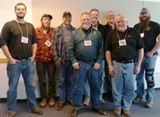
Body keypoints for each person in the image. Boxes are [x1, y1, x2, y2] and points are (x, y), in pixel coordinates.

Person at [0, 3, 43, 117]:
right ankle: (11, 109)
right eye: (18, 9)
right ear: (15, 11)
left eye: (23, 9)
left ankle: (33, 107)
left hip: (28, 63)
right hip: (15, 63)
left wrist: (33, 55)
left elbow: (34, 42)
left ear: (25, 11)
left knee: (31, 86)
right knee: (12, 88)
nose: (20, 11)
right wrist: (10, 59)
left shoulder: (30, 26)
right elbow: (2, 43)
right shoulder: (9, 25)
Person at [67, 12, 106, 117]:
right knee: (78, 87)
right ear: (81, 20)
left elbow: (101, 49)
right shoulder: (74, 33)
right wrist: (74, 61)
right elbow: (69, 49)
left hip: (94, 64)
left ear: (91, 20)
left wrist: (98, 62)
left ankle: (96, 106)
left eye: (88, 19)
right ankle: (76, 107)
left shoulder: (97, 34)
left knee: (95, 87)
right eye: (84, 19)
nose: (86, 21)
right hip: (80, 64)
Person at [105, 14, 144, 117]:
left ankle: (126, 107)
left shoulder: (134, 32)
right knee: (116, 87)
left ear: (127, 22)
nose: (120, 23)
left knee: (130, 87)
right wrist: (109, 65)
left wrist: (138, 65)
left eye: (122, 21)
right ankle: (117, 107)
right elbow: (108, 51)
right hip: (116, 64)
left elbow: (141, 49)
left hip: (131, 64)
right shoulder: (111, 34)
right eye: (118, 22)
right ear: (115, 23)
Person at [133, 8, 160, 108]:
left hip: (150, 56)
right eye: (142, 13)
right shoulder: (136, 26)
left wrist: (152, 52)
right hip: (139, 57)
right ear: (140, 15)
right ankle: (139, 96)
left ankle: (150, 99)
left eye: (145, 13)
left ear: (149, 14)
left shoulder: (155, 25)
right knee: (138, 77)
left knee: (149, 77)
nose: (143, 15)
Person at [82, 8, 106, 106]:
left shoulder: (104, 29)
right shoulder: (84, 28)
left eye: (96, 15)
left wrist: (100, 60)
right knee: (86, 79)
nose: (94, 16)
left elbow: (104, 45)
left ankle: (99, 96)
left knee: (100, 78)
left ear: (98, 16)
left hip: (100, 59)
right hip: (88, 59)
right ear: (89, 16)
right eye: (92, 15)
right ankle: (88, 98)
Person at [53, 11, 75, 111]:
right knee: (61, 81)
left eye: (69, 17)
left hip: (71, 62)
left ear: (71, 18)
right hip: (60, 61)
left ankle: (70, 98)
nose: (67, 19)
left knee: (71, 81)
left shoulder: (75, 30)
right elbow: (53, 45)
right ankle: (61, 101)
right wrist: (56, 58)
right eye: (65, 17)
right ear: (63, 18)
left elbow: (76, 46)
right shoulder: (57, 30)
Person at [35, 14, 56, 108]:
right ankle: (43, 98)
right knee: (42, 80)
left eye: (48, 19)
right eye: (45, 19)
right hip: (40, 60)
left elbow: (57, 44)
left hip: (51, 60)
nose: (47, 21)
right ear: (41, 20)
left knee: (52, 79)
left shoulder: (54, 31)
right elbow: (32, 44)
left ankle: (52, 97)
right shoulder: (36, 31)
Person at [104, 10, 115, 101]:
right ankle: (111, 95)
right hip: (108, 56)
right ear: (106, 18)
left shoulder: (119, 27)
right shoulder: (104, 29)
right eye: (109, 16)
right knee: (109, 76)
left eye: (113, 16)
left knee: (118, 76)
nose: (111, 17)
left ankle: (118, 94)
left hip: (118, 57)